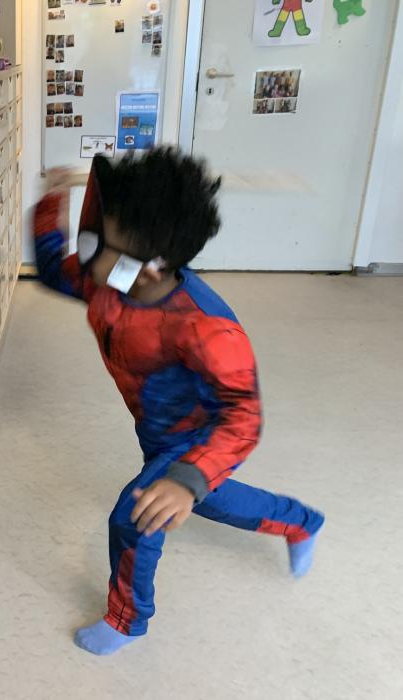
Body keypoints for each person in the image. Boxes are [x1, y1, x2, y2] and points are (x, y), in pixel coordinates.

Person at [32, 149, 324, 655]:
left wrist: (189, 476)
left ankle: (126, 620)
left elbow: (243, 416)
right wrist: (50, 202)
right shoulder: (110, 282)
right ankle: (301, 523)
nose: (85, 255)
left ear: (149, 268)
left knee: (136, 516)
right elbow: (54, 272)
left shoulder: (205, 328)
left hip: (199, 437)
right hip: (157, 429)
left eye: (97, 243)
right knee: (214, 499)